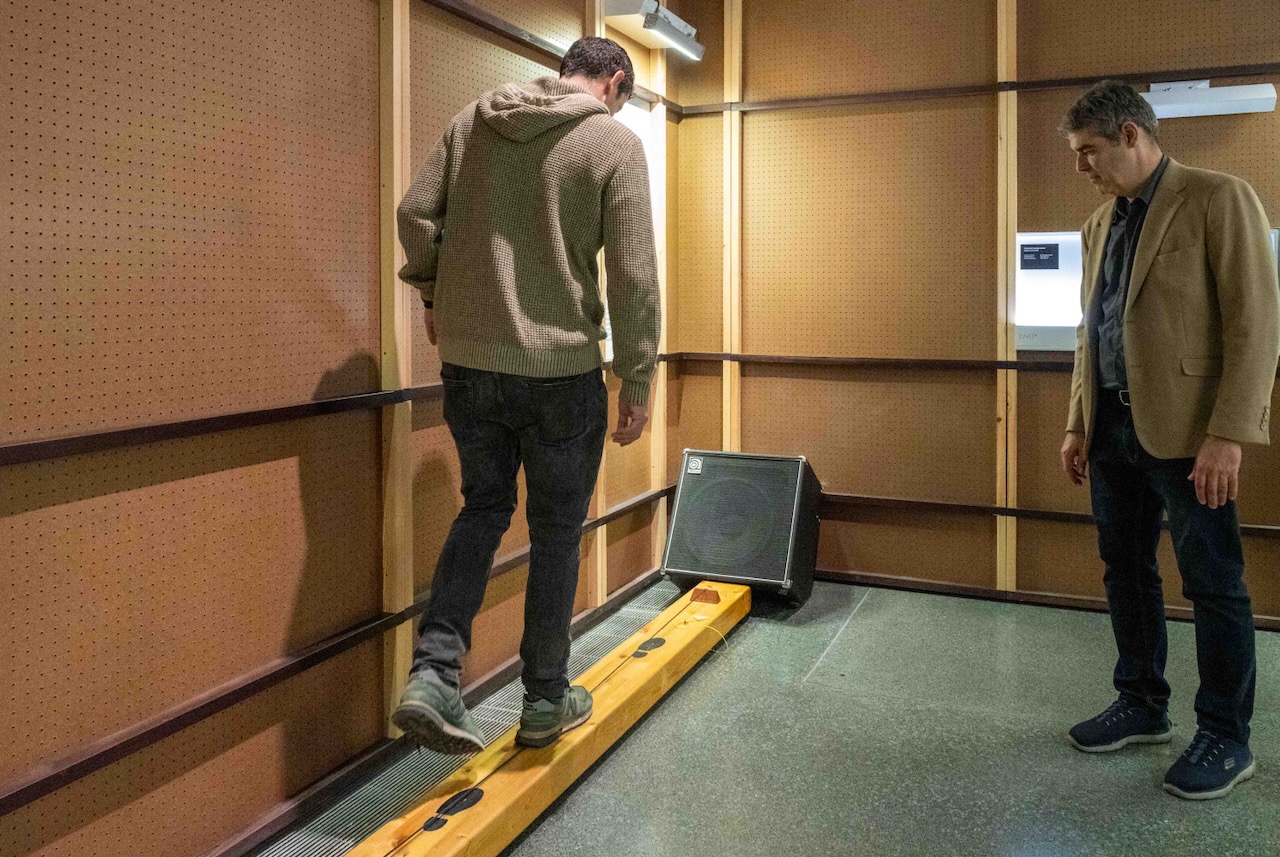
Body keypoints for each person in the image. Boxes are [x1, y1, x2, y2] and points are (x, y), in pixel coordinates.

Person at [391, 37, 660, 754]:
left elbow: (415, 213)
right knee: (556, 532)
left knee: (483, 507)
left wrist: (432, 293)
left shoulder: (474, 120)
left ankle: (434, 672)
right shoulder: (613, 144)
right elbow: (633, 274)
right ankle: (544, 698)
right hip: (562, 373)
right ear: (615, 82)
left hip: (470, 366)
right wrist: (637, 377)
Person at [1058, 80, 1279, 799]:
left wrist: (1228, 433)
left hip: (1191, 434)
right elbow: (1090, 332)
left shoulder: (1218, 197)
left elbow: (1255, 323)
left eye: (1089, 151)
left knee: (1213, 582)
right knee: (1124, 570)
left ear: (1131, 134)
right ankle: (1142, 703)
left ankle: (1226, 736)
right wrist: (1077, 422)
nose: (1082, 167)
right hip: (1112, 431)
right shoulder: (1099, 225)